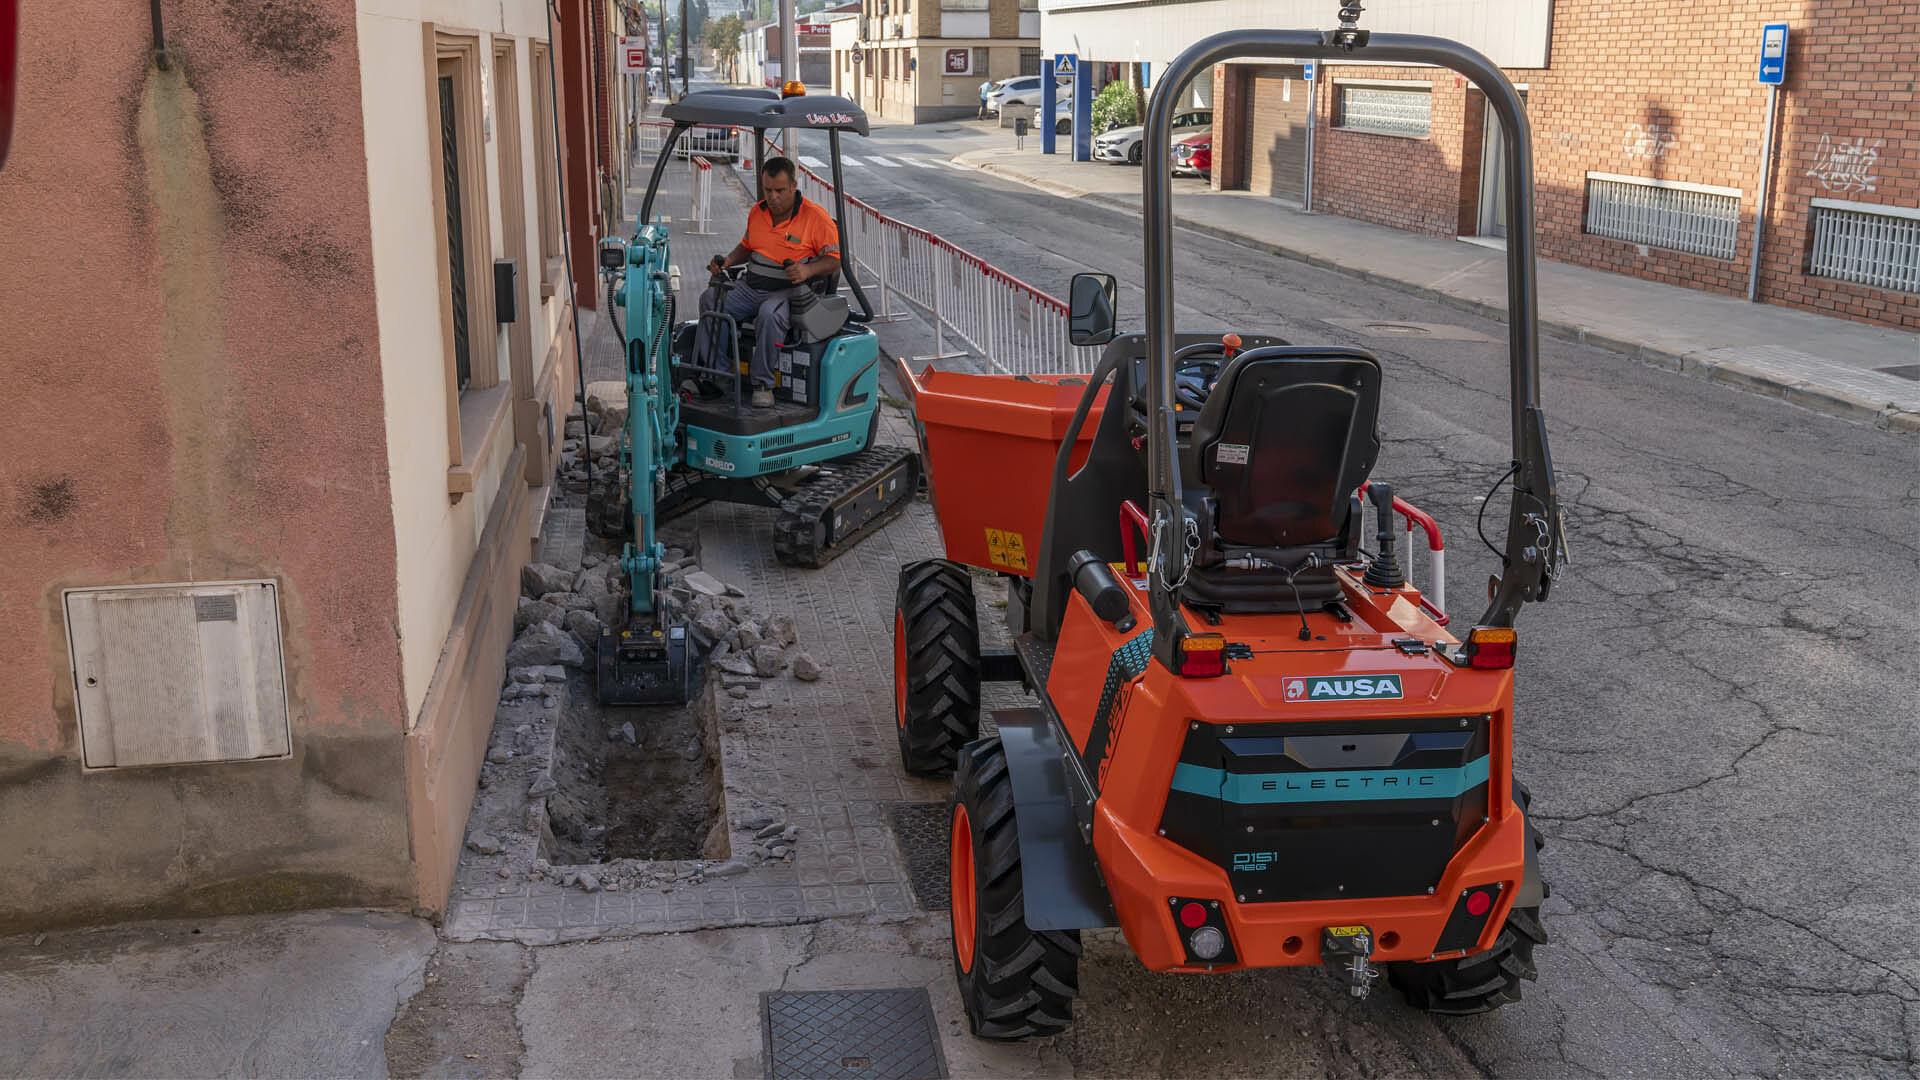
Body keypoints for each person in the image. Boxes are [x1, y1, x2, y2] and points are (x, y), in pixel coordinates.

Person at [692, 156, 842, 408]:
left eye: (780, 191)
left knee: (769, 313)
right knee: (710, 299)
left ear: (794, 185)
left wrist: (807, 270)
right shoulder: (757, 212)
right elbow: (747, 246)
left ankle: (762, 383)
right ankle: (716, 376)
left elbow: (835, 260)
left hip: (788, 290)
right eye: (768, 190)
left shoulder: (816, 218)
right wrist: (728, 260)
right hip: (751, 286)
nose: (773, 197)